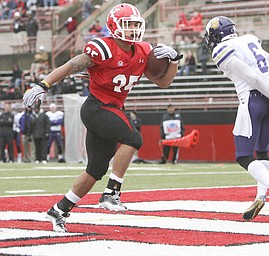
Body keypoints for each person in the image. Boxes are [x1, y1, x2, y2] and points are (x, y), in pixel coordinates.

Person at [23, 3, 182, 232]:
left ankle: (59, 209)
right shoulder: (103, 48)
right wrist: (43, 84)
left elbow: (163, 82)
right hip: (97, 107)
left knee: (95, 170)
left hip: (111, 108)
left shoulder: (143, 51)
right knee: (133, 138)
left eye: (136, 25)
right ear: (114, 26)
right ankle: (111, 192)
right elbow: (70, 66)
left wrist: (174, 60)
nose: (133, 30)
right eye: (128, 25)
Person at [204, 16, 269, 221]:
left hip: (252, 101)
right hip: (267, 102)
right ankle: (260, 196)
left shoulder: (221, 50)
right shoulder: (249, 40)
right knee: (262, 152)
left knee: (244, 156)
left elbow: (252, 78)